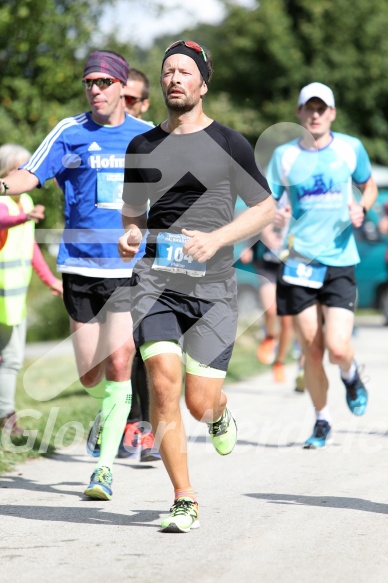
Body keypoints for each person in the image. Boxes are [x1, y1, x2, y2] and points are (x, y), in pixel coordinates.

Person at [118, 39, 275, 532]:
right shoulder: (141, 146)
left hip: (213, 287)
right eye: (168, 71)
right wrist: (130, 237)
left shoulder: (229, 143)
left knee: (199, 403)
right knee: (164, 383)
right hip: (155, 282)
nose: (174, 78)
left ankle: (220, 411)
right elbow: (134, 216)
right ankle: (184, 497)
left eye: (185, 71)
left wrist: (217, 239)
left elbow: (266, 208)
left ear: (203, 83)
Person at [0, 50, 153, 499]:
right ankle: (106, 412)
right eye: (90, 82)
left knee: (122, 360)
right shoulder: (70, 132)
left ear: (123, 87)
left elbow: (177, 189)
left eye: (105, 82)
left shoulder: (147, 136)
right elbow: (29, 175)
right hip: (80, 267)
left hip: (127, 267)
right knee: (90, 373)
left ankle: (103, 469)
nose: (96, 90)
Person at [267, 82, 378, 449]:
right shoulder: (284, 156)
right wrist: (275, 218)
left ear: (332, 113)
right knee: (312, 351)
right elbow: (267, 203)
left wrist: (362, 207)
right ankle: (322, 420)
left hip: (340, 261)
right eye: (308, 108)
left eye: (322, 108)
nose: (315, 114)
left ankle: (350, 374)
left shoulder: (351, 149)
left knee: (338, 346)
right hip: (298, 263)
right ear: (299, 113)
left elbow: (369, 185)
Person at [0, 144, 62, 435]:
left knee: (10, 359)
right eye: (21, 168)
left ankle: (5, 415)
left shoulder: (22, 201)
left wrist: (51, 280)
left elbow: (30, 246)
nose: (28, 174)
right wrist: (23, 218)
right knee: (10, 359)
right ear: (6, 171)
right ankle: (6, 417)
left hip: (12, 298)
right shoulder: (8, 203)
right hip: (4, 297)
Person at [116, 67, 160, 462]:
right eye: (120, 95)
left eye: (131, 99)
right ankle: (116, 418)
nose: (122, 103)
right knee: (100, 362)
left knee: (140, 346)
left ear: (143, 105)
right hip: (96, 261)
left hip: (142, 262)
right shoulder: (86, 133)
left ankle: (141, 426)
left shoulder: (155, 141)